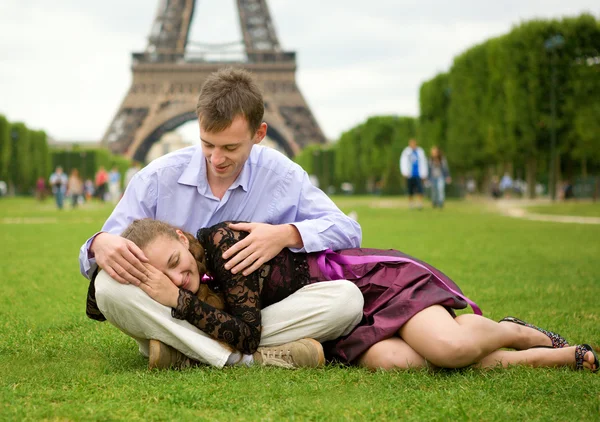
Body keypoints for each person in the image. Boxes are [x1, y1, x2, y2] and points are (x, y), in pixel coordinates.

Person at [80, 67, 363, 369]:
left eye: (230, 147)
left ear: (259, 134)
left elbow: (349, 231)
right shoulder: (157, 179)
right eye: (208, 144)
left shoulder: (283, 176)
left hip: (254, 313)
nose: (216, 159)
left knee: (346, 300)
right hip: (174, 306)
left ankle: (185, 350)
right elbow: (97, 257)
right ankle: (246, 358)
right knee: (107, 286)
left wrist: (285, 234)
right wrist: (100, 243)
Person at [113, 218, 599, 373]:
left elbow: (245, 332)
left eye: (176, 265)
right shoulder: (190, 284)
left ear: (182, 238)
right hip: (337, 323)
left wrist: (177, 302)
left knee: (447, 347)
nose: (178, 281)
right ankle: (541, 360)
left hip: (368, 287)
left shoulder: (222, 244)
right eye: (165, 279)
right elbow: (100, 301)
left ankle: (515, 330)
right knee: (399, 365)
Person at [400, 139, 428, 209]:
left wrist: (424, 173)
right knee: (410, 190)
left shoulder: (420, 151)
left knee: (420, 190)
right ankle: (411, 204)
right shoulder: (406, 152)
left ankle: (419, 204)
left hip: (418, 174)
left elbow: (424, 162)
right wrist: (404, 172)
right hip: (410, 174)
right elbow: (403, 162)